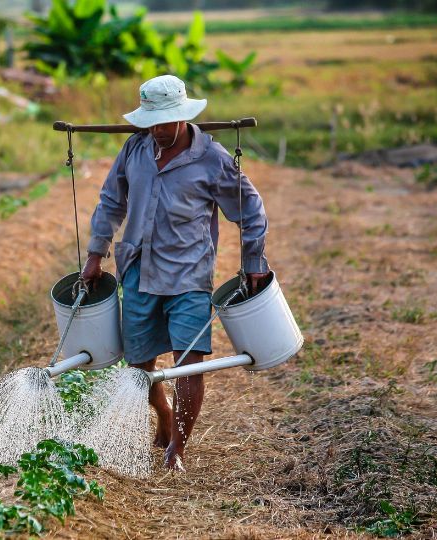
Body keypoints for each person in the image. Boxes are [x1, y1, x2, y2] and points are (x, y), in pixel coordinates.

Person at [81, 74, 270, 472]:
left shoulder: (212, 159)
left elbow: (250, 209)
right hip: (138, 270)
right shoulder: (134, 149)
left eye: (166, 122)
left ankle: (176, 451)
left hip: (189, 275)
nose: (159, 131)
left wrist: (253, 260)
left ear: (183, 117)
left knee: (190, 361)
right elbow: (111, 201)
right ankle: (164, 415)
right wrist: (95, 254)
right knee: (140, 366)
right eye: (152, 123)